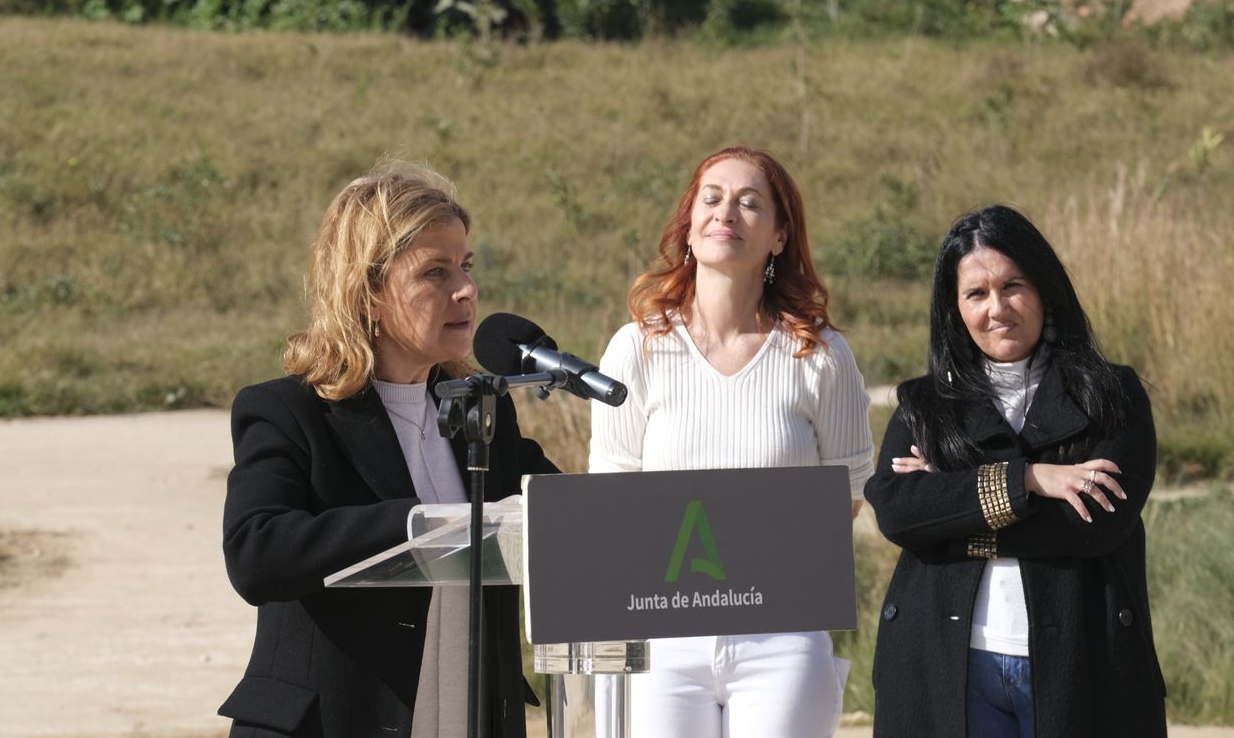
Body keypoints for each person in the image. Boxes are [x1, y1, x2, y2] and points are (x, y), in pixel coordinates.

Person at [219, 163, 557, 738]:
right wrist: (416, 527)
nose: (466, 290)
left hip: (469, 716)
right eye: (435, 272)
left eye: (467, 266)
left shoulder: (484, 412)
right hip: (334, 722)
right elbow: (257, 553)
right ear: (369, 293)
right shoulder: (288, 412)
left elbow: (559, 515)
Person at [589, 145, 874, 738]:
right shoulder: (634, 348)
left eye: (750, 202)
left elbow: (846, 497)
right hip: (661, 636)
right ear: (690, 224)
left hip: (784, 635)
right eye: (712, 198)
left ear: (779, 236)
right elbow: (611, 501)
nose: (726, 213)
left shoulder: (821, 355)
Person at [864, 204, 1166, 738]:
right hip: (950, 666)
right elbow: (897, 511)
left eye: (1012, 286)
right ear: (955, 309)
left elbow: (1097, 524)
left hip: (1083, 665)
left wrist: (951, 509)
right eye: (976, 294)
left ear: (1045, 290)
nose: (997, 308)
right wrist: (1028, 480)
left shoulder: (1112, 395)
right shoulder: (924, 405)